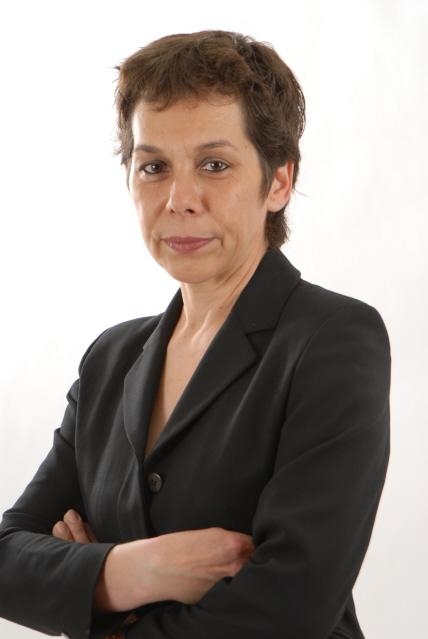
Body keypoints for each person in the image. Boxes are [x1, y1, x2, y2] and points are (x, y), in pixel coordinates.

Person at [0, 30, 390, 639]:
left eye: (214, 164)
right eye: (154, 167)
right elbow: (7, 559)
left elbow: (288, 610)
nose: (179, 200)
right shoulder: (110, 359)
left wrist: (91, 596)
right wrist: (134, 570)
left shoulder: (333, 340)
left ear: (278, 181)